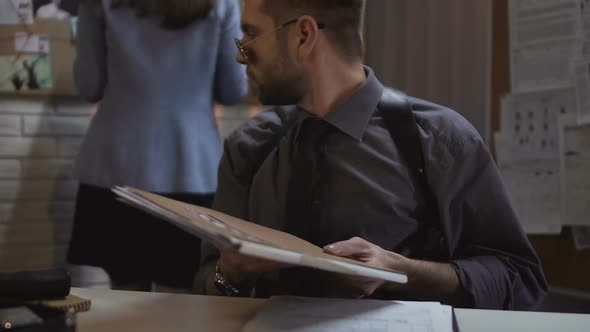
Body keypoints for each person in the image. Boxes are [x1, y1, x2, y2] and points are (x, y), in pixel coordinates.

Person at [195, 0, 548, 309]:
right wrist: (232, 274)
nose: (241, 54)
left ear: (303, 35)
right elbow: (208, 284)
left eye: (251, 34)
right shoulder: (249, 147)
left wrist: (401, 271)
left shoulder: (440, 140)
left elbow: (519, 279)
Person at [68, 0, 246, 293]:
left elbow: (90, 85)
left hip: (116, 166)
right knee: (187, 299)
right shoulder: (222, 3)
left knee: (126, 303)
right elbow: (233, 90)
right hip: (191, 168)